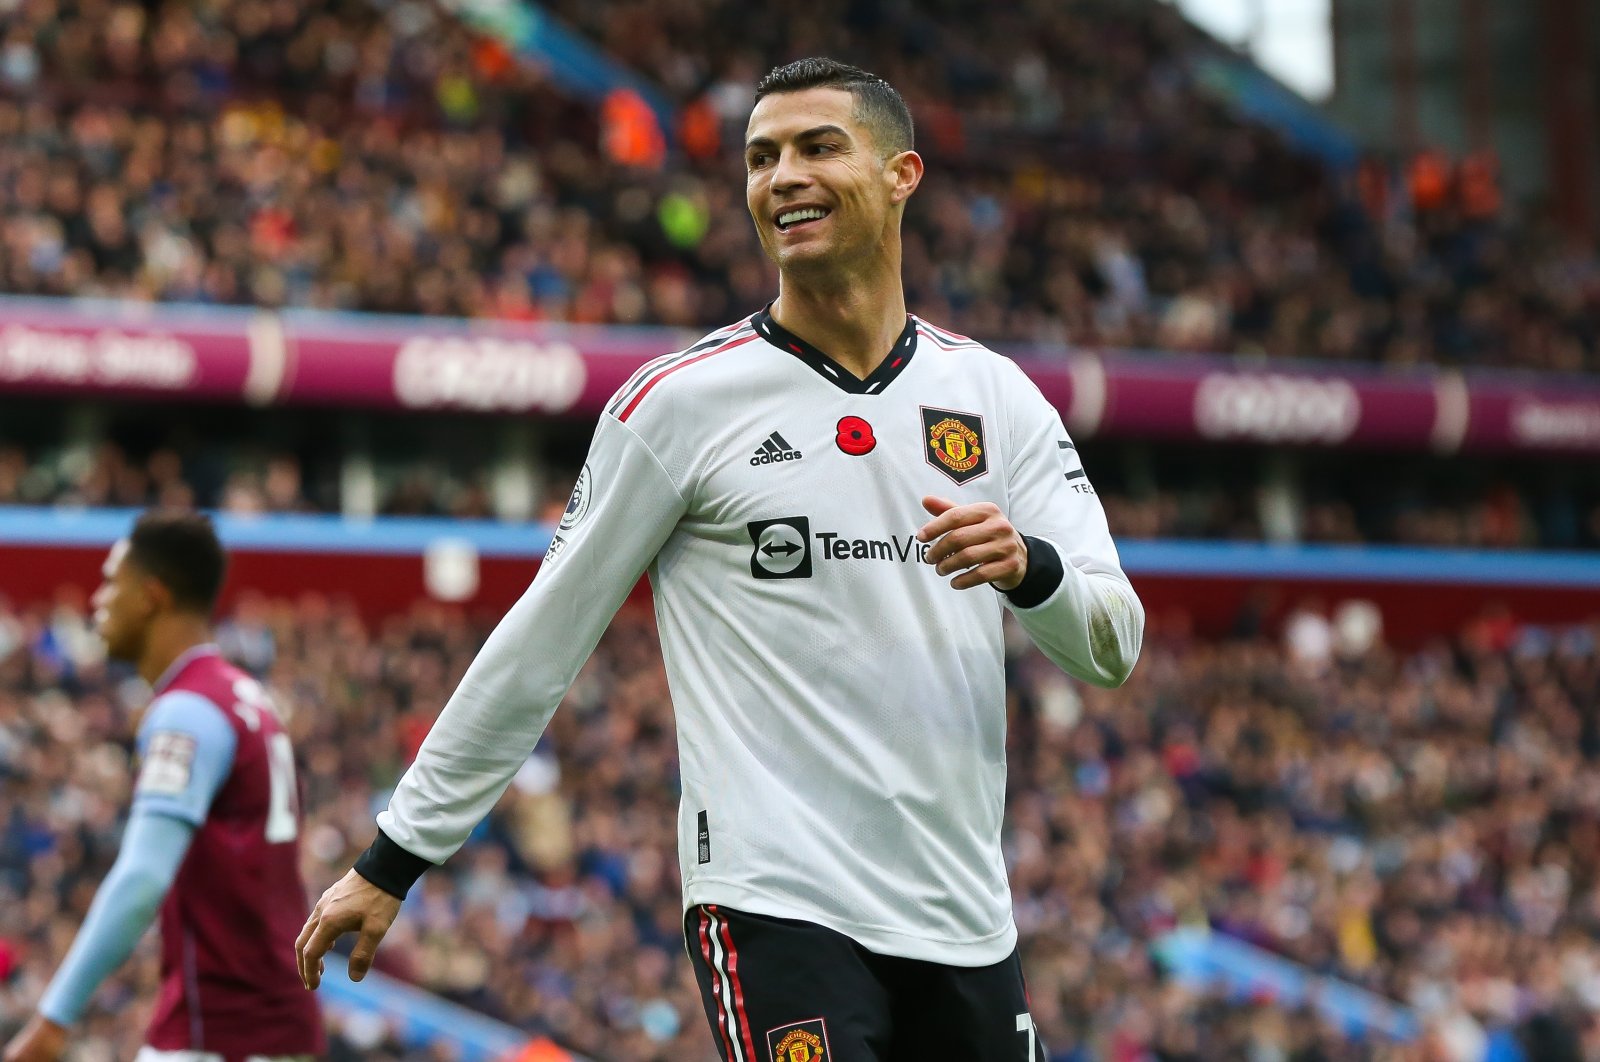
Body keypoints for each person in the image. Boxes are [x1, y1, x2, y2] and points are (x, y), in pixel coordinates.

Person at [297, 57, 1143, 1059]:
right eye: (760, 158)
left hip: (964, 915)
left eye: (818, 147)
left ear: (901, 174)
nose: (781, 176)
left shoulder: (997, 398)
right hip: (775, 902)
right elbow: (540, 644)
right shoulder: (679, 405)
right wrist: (395, 858)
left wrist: (1028, 568)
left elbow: (1111, 643)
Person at [4, 511, 322, 1062]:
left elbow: (143, 876)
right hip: (278, 1021)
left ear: (151, 595)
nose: (97, 599)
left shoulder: (186, 711)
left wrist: (54, 1017)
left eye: (111, 582)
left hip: (222, 1030)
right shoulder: (246, 696)